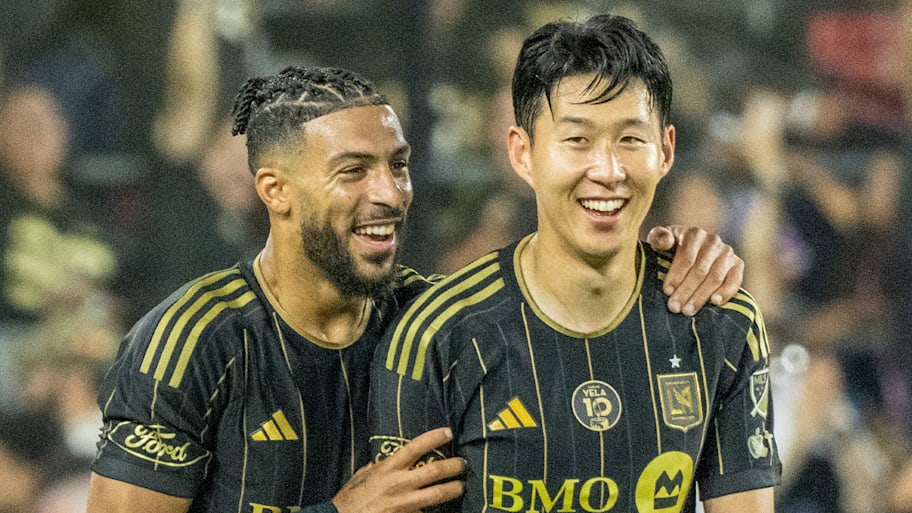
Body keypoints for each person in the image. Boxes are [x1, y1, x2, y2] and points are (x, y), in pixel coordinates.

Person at [86, 66, 747, 513]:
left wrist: (673, 263)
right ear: (276, 192)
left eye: (397, 166)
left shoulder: (438, 324)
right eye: (354, 170)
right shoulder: (188, 344)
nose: (389, 193)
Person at [370, 14, 780, 513]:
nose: (607, 171)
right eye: (577, 140)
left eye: (630, 139)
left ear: (666, 151)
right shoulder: (436, 337)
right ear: (523, 154)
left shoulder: (722, 323)